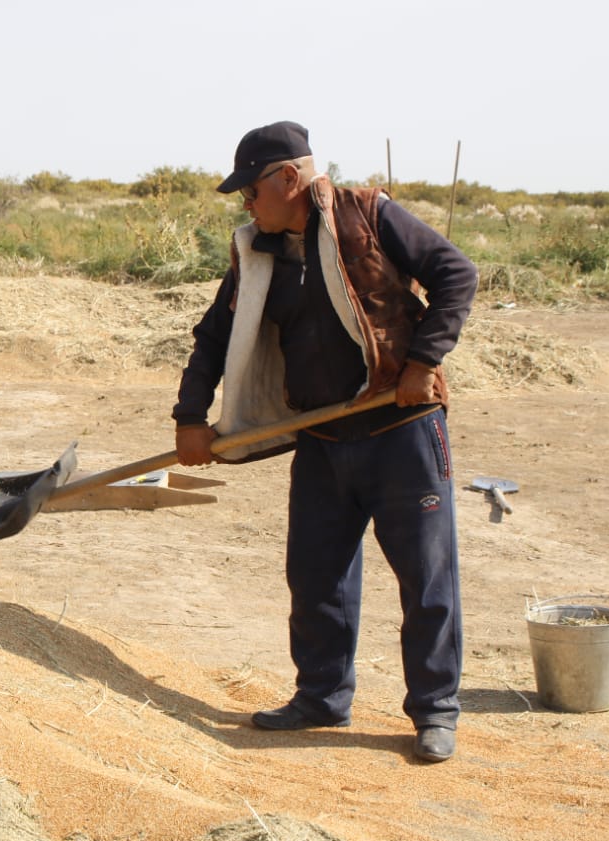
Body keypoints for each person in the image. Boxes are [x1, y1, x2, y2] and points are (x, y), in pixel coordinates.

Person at [172, 121, 477, 762]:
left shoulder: (368, 215)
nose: (246, 205)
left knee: (426, 580)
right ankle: (321, 697)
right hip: (321, 435)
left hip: (402, 431)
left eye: (251, 191)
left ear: (289, 177)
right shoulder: (259, 254)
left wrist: (423, 362)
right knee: (315, 576)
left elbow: (457, 274)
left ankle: (434, 711)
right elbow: (213, 336)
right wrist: (190, 417)